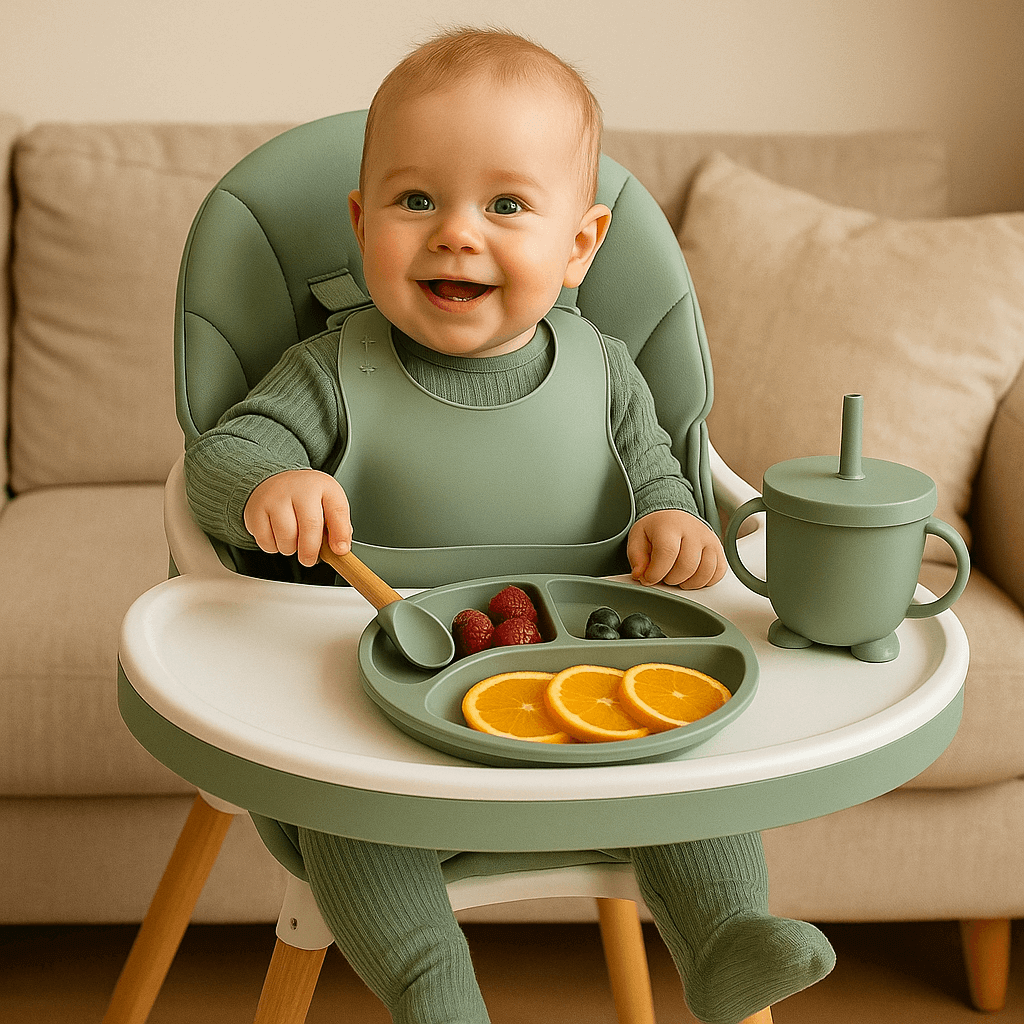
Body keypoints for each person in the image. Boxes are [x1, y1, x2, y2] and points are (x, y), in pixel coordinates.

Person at [184, 27, 835, 1024]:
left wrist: (673, 520)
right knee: (349, 814)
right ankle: (432, 990)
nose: (455, 233)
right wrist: (269, 483)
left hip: (591, 693)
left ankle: (723, 935)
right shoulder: (330, 367)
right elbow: (219, 457)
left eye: (506, 205)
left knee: (693, 766)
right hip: (379, 703)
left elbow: (657, 471)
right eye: (415, 201)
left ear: (579, 247)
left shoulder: (606, 369)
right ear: (360, 223)